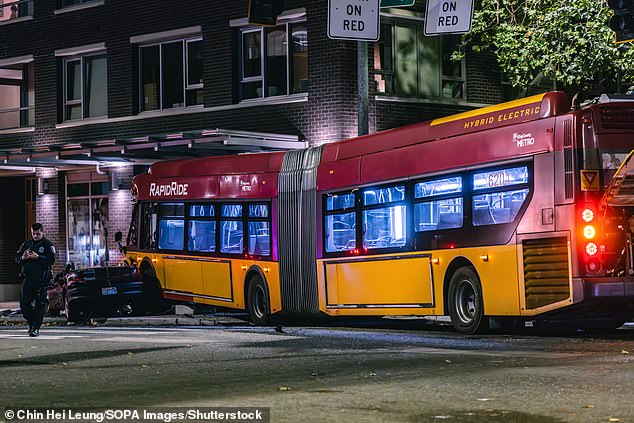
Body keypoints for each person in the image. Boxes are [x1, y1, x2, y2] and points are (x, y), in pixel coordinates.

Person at [15, 223, 56, 337]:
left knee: (39, 305)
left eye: (38, 234)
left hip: (41, 280)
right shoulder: (27, 244)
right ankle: (32, 323)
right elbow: (17, 257)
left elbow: (51, 260)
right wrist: (23, 257)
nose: (36, 236)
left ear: (42, 232)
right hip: (27, 279)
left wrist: (38, 257)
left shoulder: (48, 245)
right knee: (24, 304)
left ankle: (35, 328)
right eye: (34, 234)